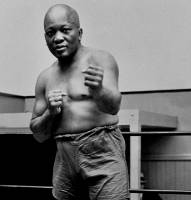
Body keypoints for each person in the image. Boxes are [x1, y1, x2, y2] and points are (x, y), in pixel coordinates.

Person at [29, 4, 129, 200]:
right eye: (51, 33)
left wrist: (98, 89)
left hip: (102, 150)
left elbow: (114, 107)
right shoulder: (45, 77)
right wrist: (50, 112)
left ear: (79, 32)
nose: (57, 38)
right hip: (64, 156)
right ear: (45, 38)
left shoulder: (100, 59)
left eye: (65, 30)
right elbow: (38, 135)